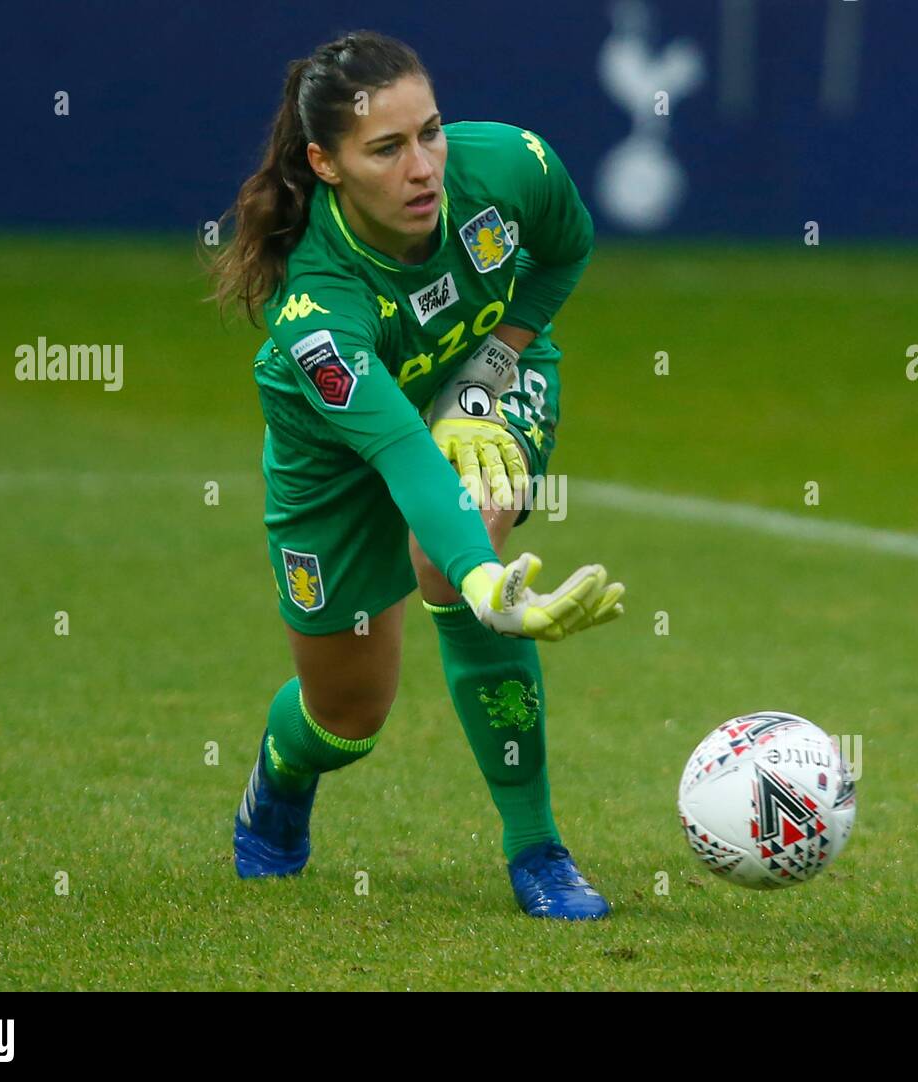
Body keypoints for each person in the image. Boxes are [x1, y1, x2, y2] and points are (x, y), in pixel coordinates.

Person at [209, 30, 624, 920]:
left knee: (459, 549)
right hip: (338, 457)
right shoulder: (317, 311)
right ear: (325, 163)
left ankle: (537, 849)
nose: (423, 166)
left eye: (429, 133)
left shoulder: (510, 165)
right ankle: (282, 776)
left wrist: (490, 370)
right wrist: (487, 581)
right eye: (387, 148)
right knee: (346, 718)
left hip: (488, 383)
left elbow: (566, 250)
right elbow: (399, 452)